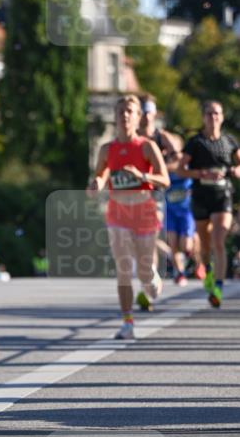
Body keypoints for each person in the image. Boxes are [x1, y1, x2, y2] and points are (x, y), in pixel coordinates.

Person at [87, 94, 170, 340]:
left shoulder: (146, 146)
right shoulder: (107, 149)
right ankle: (127, 322)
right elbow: (102, 175)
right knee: (123, 267)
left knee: (143, 271)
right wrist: (97, 184)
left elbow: (164, 179)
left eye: (130, 111)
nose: (124, 115)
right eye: (121, 110)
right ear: (115, 116)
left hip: (143, 212)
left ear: (137, 117)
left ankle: (151, 278)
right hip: (118, 213)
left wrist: (143, 176)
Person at [178, 101, 240, 307]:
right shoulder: (195, 142)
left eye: (217, 113)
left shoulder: (230, 141)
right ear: (203, 117)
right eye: (209, 113)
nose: (213, 117)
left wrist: (236, 171)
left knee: (218, 240)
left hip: (222, 195)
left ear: (222, 117)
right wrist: (202, 173)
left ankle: (218, 288)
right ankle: (208, 272)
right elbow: (180, 169)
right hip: (200, 195)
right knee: (205, 246)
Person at [139, 97, 195, 285]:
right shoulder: (132, 137)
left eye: (149, 112)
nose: (145, 116)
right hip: (136, 194)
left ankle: (155, 277)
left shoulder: (161, 137)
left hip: (157, 193)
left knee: (150, 235)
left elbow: (179, 161)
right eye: (142, 111)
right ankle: (155, 274)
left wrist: (159, 165)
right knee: (144, 240)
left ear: (154, 113)